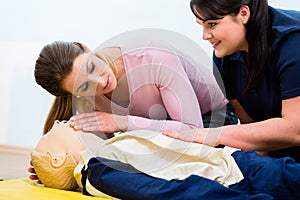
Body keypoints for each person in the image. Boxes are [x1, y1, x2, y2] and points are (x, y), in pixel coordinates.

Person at [163, 0, 300, 162]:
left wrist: (208, 134)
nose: (205, 36)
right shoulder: (223, 57)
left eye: (212, 24)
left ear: (243, 13)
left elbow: (295, 130)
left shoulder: (292, 43)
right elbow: (251, 130)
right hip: (282, 156)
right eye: (201, 25)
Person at [31, 120, 300, 199]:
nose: (57, 121)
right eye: (53, 130)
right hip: (238, 179)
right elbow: (167, 192)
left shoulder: (105, 155)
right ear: (56, 159)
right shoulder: (100, 171)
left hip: (237, 165)